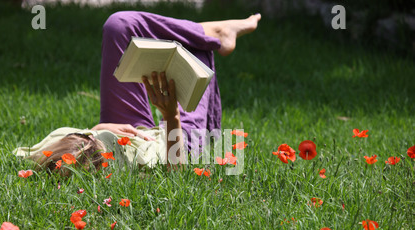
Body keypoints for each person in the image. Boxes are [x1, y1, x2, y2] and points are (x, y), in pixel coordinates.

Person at [13, 11, 261, 173]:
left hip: (125, 127)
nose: (92, 140)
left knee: (118, 25)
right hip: (174, 140)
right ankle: (211, 33)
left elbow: (18, 154)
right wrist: (170, 115)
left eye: (89, 140)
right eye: (94, 145)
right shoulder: (137, 162)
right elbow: (175, 171)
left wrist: (98, 131)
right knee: (196, 57)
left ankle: (210, 32)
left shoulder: (59, 142)